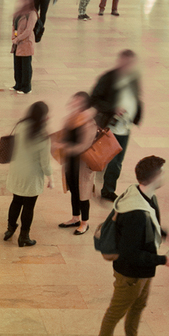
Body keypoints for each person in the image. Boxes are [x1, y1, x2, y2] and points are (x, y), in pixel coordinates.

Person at [92, 155, 169, 336]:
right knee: (115, 312)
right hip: (130, 273)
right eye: (162, 172)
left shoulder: (144, 195)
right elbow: (131, 254)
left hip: (144, 269)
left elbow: (149, 227)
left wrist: (164, 234)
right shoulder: (135, 213)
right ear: (155, 177)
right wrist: (163, 260)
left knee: (138, 306)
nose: (165, 175)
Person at [91, 49, 143, 203]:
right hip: (109, 127)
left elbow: (137, 99)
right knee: (110, 160)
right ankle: (105, 189)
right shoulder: (108, 79)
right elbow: (94, 99)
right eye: (125, 63)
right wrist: (113, 108)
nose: (128, 67)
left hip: (125, 128)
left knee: (117, 161)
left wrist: (136, 116)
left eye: (130, 64)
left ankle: (108, 189)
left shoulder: (133, 79)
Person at [4, 101, 51, 249]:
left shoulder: (20, 126)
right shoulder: (42, 136)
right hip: (31, 177)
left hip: (17, 172)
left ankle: (10, 229)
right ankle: (24, 236)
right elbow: (45, 162)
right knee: (29, 207)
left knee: (16, 201)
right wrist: (50, 177)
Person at [54, 91, 98, 235]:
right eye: (74, 99)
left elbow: (83, 146)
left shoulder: (89, 123)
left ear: (84, 104)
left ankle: (84, 223)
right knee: (73, 190)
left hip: (83, 165)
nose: (74, 102)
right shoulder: (71, 118)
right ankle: (75, 218)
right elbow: (65, 134)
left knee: (83, 193)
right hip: (71, 162)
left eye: (78, 101)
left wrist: (64, 147)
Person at [10, 0, 37, 93]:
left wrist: (18, 39)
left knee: (25, 66)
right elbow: (14, 25)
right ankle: (18, 84)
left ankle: (26, 87)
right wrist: (13, 37)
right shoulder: (19, 12)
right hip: (17, 43)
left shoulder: (32, 14)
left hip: (26, 43)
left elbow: (28, 30)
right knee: (17, 64)